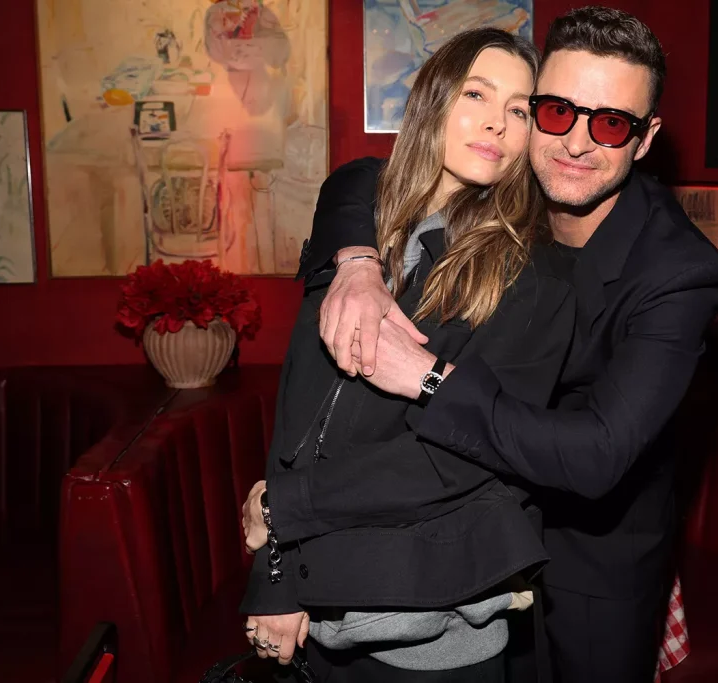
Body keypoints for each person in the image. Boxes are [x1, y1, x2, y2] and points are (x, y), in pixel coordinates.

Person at [311, 8, 718, 682]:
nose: (576, 144)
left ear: (645, 137)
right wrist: (357, 262)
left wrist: (426, 377)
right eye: (559, 111)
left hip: (586, 563)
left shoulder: (676, 275)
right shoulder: (511, 191)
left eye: (611, 123)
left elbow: (596, 454)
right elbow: (362, 179)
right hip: (464, 530)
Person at [239, 27, 578, 682]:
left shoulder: (538, 277)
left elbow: (454, 461)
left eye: (519, 108)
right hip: (325, 606)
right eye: (477, 93)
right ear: (433, 99)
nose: (497, 123)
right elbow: (300, 419)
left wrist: (284, 509)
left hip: (426, 628)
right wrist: (277, 579)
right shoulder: (362, 233)